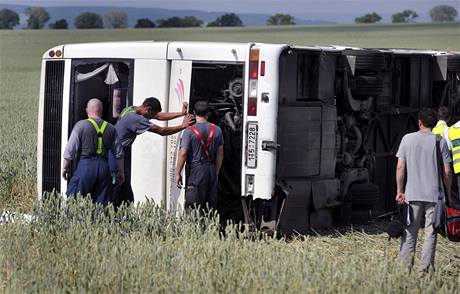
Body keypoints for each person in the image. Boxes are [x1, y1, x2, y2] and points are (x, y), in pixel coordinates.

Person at [395, 108, 452, 278]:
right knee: (430, 234)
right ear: (435, 124)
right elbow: (447, 172)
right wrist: (448, 194)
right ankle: (423, 274)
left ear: (419, 122)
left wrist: (399, 190)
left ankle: (404, 272)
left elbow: (400, 167)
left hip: (412, 195)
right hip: (434, 196)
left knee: (409, 233)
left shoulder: (407, 139)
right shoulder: (439, 141)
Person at [113, 97, 195, 206]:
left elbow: (158, 116)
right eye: (152, 115)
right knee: (121, 185)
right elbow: (161, 131)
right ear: (148, 109)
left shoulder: (130, 109)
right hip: (120, 153)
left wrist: (181, 114)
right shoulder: (136, 119)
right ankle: (117, 211)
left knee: (123, 186)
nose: (152, 118)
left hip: (114, 150)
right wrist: (183, 126)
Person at [62, 98, 125, 205]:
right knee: (102, 205)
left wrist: (65, 167)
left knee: (75, 201)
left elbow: (70, 149)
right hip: (104, 169)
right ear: (101, 111)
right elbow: (119, 154)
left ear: (87, 110)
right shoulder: (111, 128)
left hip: (85, 167)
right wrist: (121, 172)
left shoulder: (81, 125)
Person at [175, 101, 224, 212]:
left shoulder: (189, 131)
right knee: (210, 209)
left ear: (194, 113)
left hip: (196, 171)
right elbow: (220, 154)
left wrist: (178, 172)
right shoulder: (217, 130)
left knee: (193, 208)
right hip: (211, 169)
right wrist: (215, 172)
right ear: (208, 114)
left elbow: (183, 153)